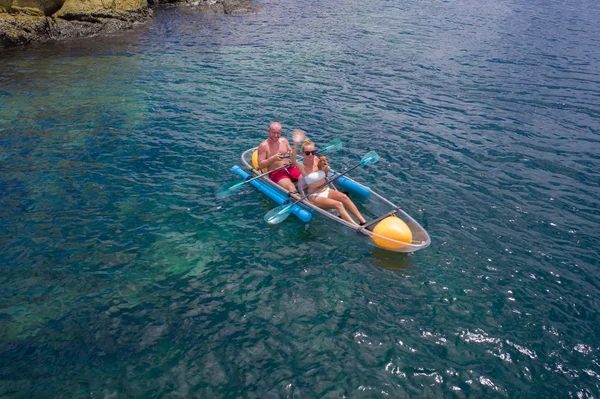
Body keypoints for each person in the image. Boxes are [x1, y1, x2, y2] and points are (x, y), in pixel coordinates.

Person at [290, 129, 367, 226]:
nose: (311, 155)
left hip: (326, 190)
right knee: (338, 204)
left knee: (344, 197)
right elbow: (293, 159)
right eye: (307, 153)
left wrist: (326, 170)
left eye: (313, 152)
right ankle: (355, 226)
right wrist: (296, 143)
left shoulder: (317, 160)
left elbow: (324, 173)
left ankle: (363, 222)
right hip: (314, 196)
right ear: (303, 154)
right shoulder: (302, 166)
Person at [257, 122, 302, 192]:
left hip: (289, 168)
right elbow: (260, 165)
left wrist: (296, 144)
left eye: (278, 133)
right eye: (273, 132)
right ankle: (299, 200)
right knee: (291, 187)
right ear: (269, 131)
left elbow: (292, 154)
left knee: (307, 179)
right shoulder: (263, 146)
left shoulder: (284, 141)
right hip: (276, 172)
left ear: (281, 132)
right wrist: (273, 158)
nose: (275, 135)